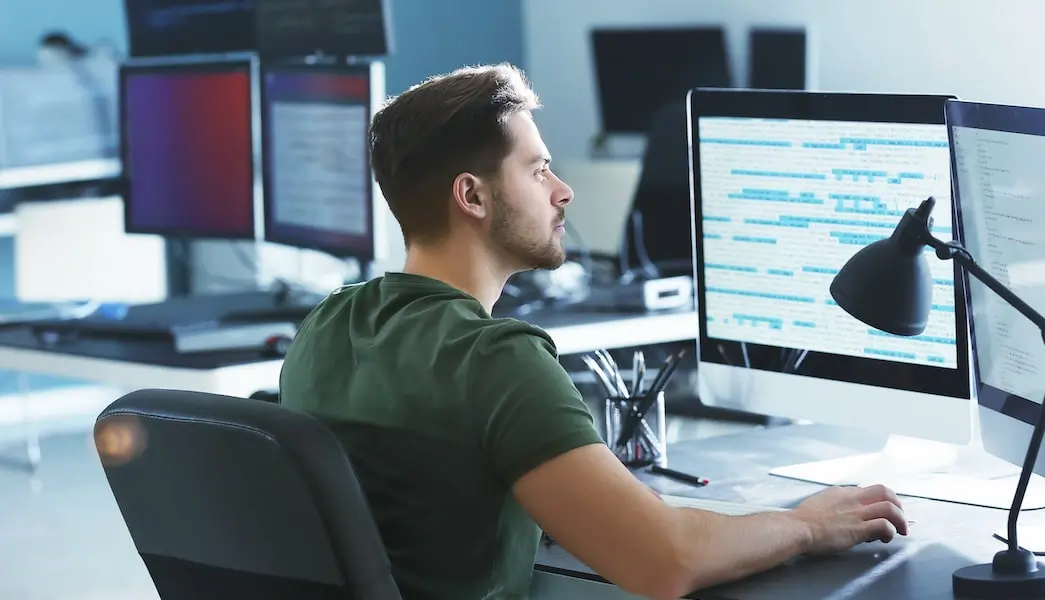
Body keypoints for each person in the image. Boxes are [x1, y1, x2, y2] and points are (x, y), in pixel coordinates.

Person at [279, 63, 908, 600]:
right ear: (471, 196)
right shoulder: (496, 358)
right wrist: (805, 525)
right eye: (538, 171)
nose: (563, 191)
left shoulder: (326, 324)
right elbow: (666, 559)